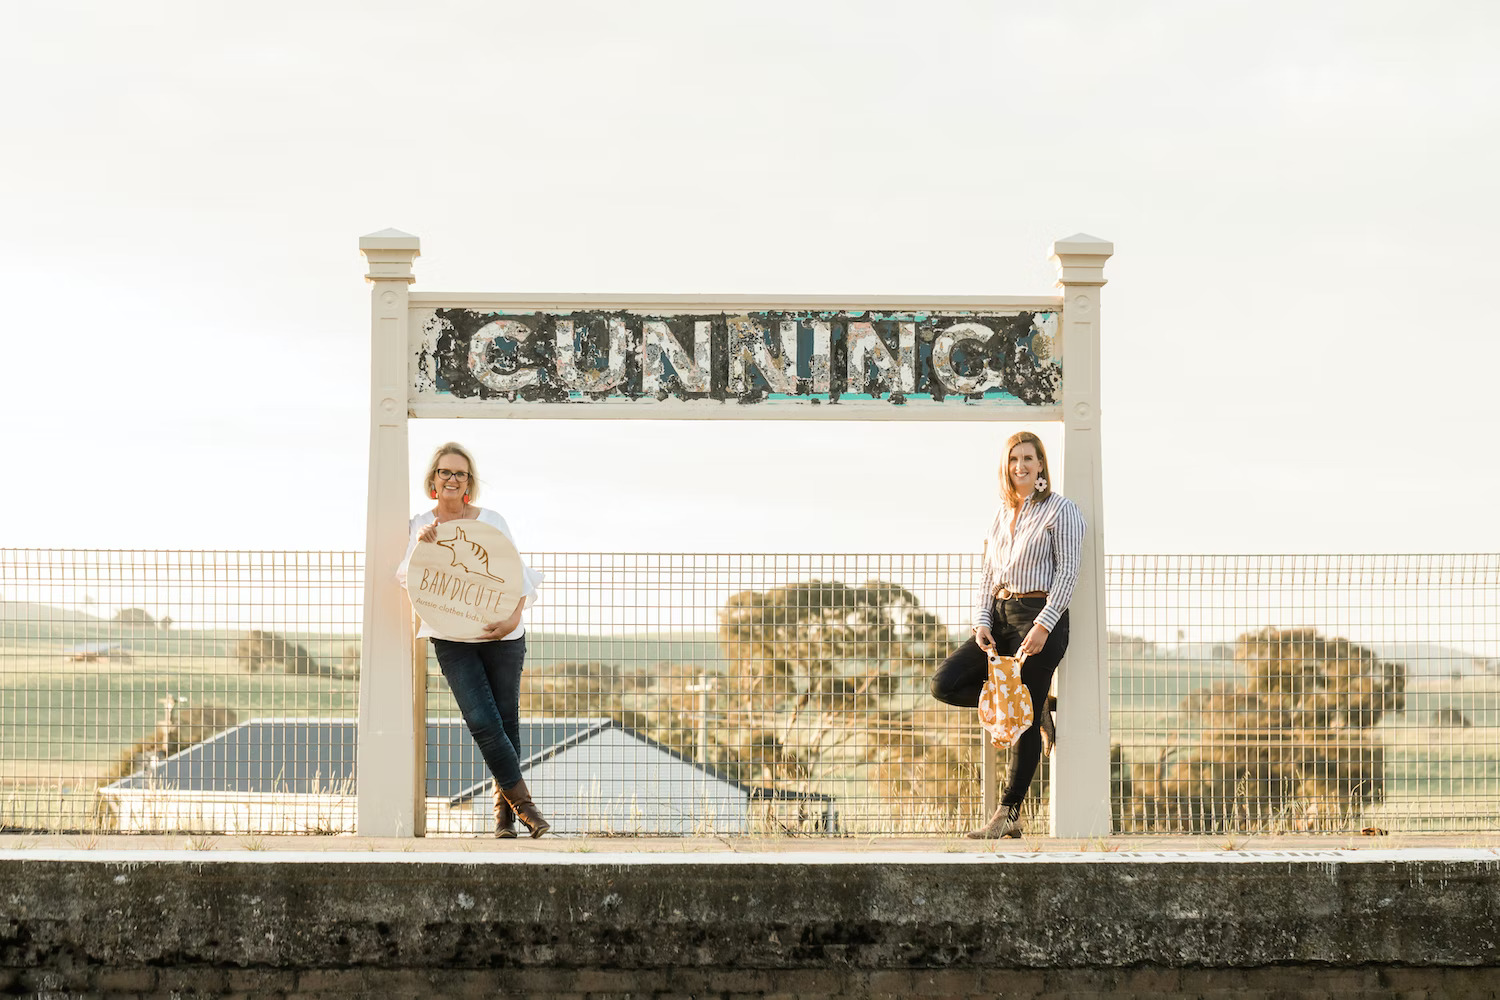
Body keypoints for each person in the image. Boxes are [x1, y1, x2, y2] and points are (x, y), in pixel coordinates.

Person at [930, 431, 1085, 839]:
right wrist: (982, 620)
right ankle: (1036, 705)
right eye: (1014, 459)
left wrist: (1043, 625)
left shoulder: (1060, 510)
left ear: (1041, 465)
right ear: (1006, 466)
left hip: (1038, 616)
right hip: (999, 617)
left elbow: (1067, 573)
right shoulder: (1002, 513)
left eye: (1028, 458)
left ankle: (1008, 814)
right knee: (944, 684)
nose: (1021, 466)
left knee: (1023, 723)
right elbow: (988, 574)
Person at [397, 442, 549, 838]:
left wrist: (512, 619)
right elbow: (408, 579)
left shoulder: (492, 520)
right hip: (451, 636)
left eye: (460, 473)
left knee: (506, 723)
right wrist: (422, 546)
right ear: (433, 480)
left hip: (503, 634)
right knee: (482, 721)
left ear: (469, 482)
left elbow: (516, 574)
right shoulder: (419, 525)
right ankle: (527, 807)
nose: (452, 479)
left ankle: (504, 818)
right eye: (445, 472)